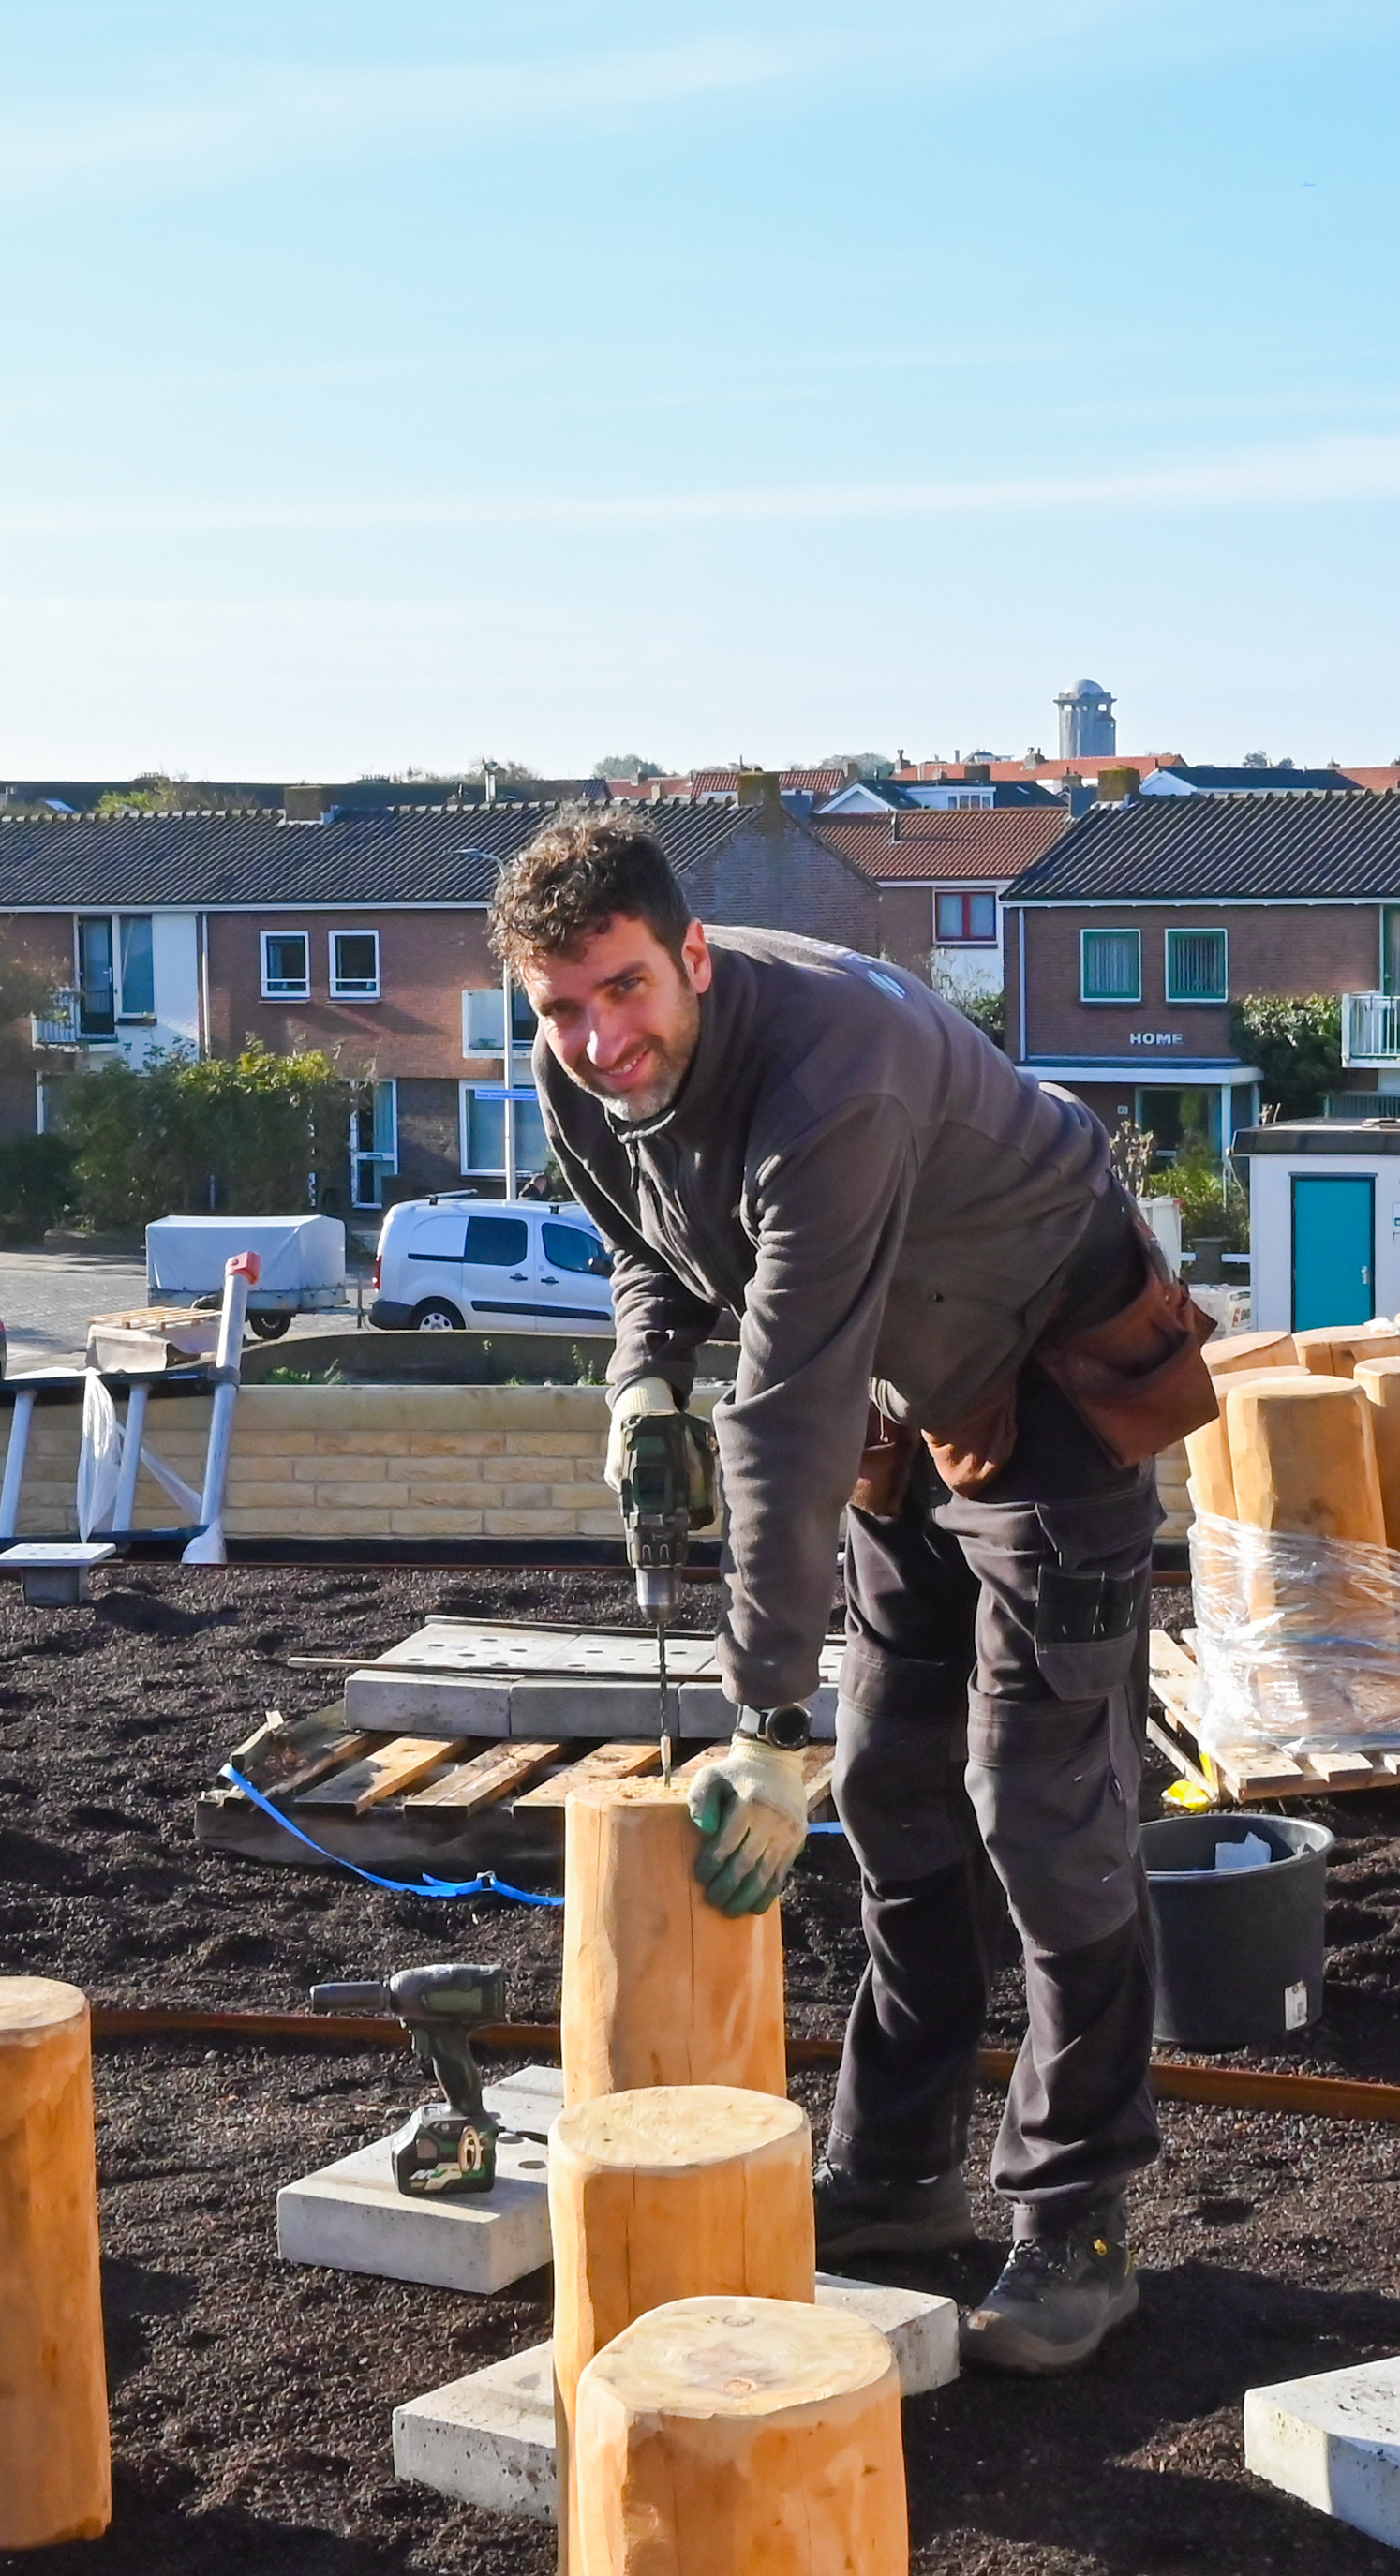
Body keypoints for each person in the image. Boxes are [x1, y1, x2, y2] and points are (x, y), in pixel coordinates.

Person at [499, 811, 1216, 2373]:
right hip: (910, 1383)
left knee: (1041, 1808)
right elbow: (657, 1241)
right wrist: (641, 1381)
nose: (598, 1036)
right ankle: (896, 2171)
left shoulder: (834, 1075)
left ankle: (1078, 2216)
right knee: (895, 1787)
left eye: (624, 989)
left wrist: (763, 1715)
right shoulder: (583, 1065)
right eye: (562, 1006)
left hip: (1055, 1383)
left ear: (691, 954)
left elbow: (788, 1417)